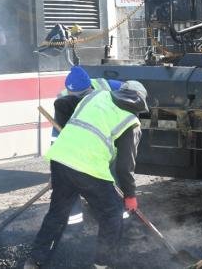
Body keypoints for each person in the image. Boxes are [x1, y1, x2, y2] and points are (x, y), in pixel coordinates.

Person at [25, 80, 148, 269]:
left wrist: (72, 135)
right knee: (113, 215)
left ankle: (35, 260)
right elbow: (125, 167)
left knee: (57, 213)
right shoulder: (131, 122)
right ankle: (101, 265)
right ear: (140, 103)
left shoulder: (96, 95)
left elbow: (61, 104)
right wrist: (130, 195)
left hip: (61, 159)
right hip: (89, 170)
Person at [52, 66, 124, 229]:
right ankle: (74, 226)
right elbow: (56, 133)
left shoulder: (104, 86)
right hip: (78, 148)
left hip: (105, 145)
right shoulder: (63, 100)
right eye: (74, 96)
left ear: (89, 87)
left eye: (81, 95)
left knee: (112, 180)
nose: (78, 99)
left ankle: (121, 220)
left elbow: (129, 88)